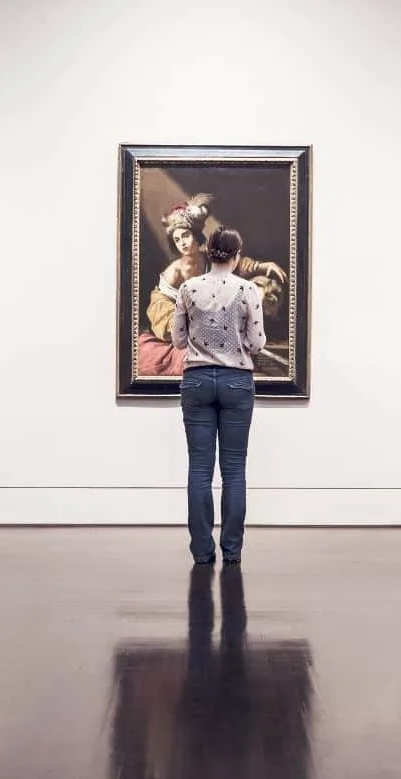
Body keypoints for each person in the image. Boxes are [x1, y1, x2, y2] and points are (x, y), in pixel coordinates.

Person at [172, 225, 266, 565]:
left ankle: (201, 552)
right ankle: (232, 550)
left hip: (196, 381)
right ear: (237, 255)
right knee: (234, 470)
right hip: (237, 382)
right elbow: (256, 344)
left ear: (209, 252)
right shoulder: (248, 289)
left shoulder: (188, 288)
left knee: (199, 469)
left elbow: (179, 341)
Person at [137, 193, 286, 377]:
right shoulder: (174, 272)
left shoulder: (209, 257)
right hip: (174, 316)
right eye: (177, 239)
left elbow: (235, 265)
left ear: (196, 235)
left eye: (186, 236)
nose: (183, 242)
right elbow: (168, 314)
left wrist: (264, 265)